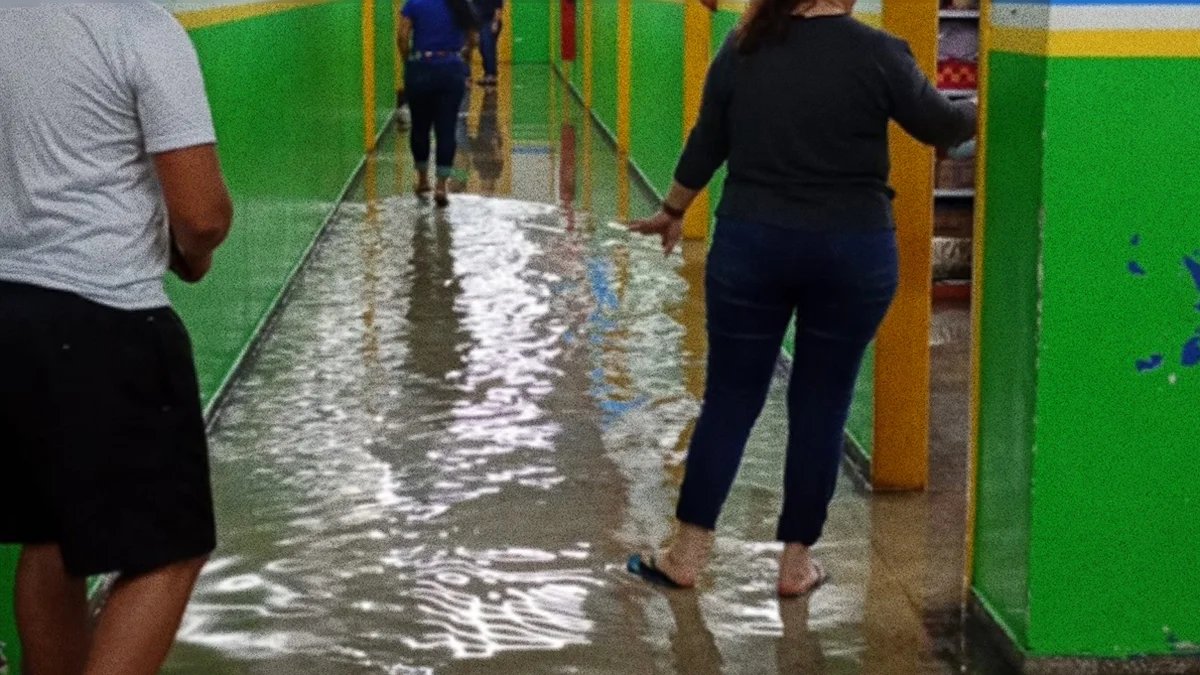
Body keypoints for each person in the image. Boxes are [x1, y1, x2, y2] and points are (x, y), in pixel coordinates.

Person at [626, 0, 976, 596]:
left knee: (731, 398)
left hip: (751, 246)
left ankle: (686, 553)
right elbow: (941, 127)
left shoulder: (743, 47)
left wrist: (673, 209)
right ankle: (795, 564)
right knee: (822, 403)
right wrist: (980, 106)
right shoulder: (880, 52)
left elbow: (708, 138)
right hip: (853, 252)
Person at [0, 1, 233, 672]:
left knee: (50, 538)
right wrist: (191, 246)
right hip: (106, 320)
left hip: (9, 319)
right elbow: (201, 212)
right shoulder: (140, 29)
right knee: (171, 549)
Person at [399, 0, 480, 207]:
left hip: (420, 69)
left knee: (420, 127)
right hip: (451, 70)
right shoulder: (460, 4)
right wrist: (463, 55)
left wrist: (408, 60)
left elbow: (402, 36)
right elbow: (473, 39)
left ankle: (423, 180)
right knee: (446, 128)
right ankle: (441, 186)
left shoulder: (414, 4)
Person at [474, 0, 504, 87]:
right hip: (480, 23)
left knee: (488, 48)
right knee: (482, 48)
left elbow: (498, 7)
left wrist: (495, 22)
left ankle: (491, 75)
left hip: (490, 21)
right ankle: (487, 74)